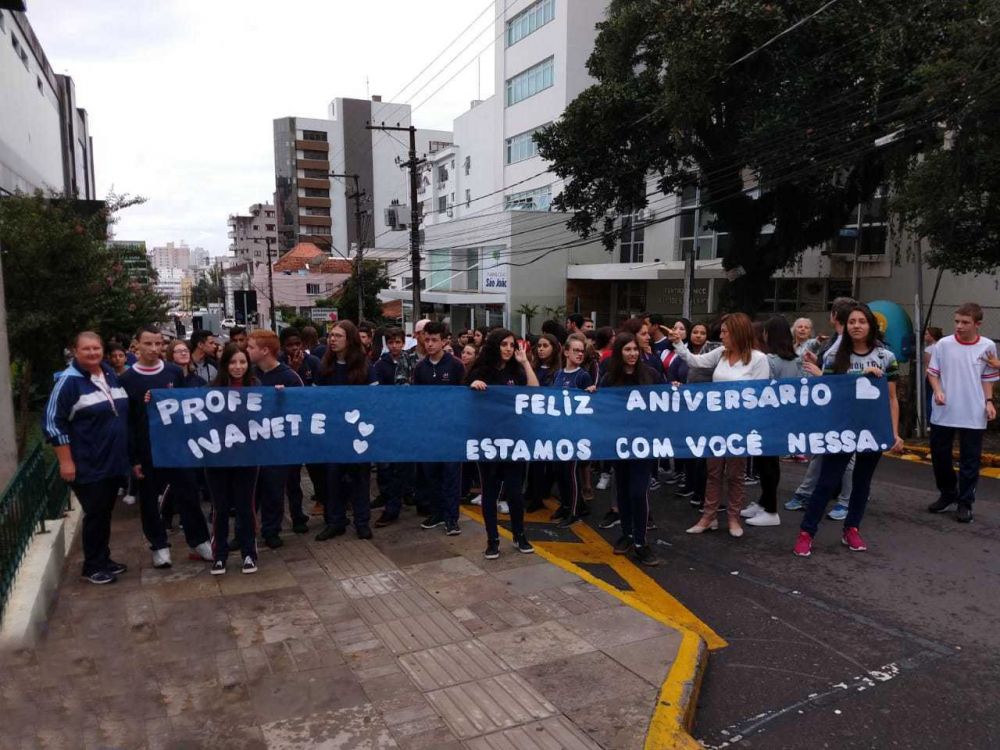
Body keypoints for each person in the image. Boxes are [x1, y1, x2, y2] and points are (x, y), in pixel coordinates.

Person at [794, 305, 904, 556]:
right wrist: (859, 379)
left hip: (872, 430)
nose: (856, 325)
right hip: (842, 429)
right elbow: (830, 395)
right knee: (827, 481)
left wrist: (893, 433)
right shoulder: (834, 358)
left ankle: (851, 528)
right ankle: (806, 532)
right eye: (852, 321)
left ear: (871, 326)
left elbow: (891, 399)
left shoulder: (886, 357)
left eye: (862, 321)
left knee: (861, 483)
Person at [119, 326, 213, 568]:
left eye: (158, 343)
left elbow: (185, 410)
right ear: (137, 345)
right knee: (150, 500)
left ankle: (200, 540)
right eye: (148, 343)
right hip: (147, 450)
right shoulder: (127, 379)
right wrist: (134, 459)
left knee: (188, 493)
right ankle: (159, 546)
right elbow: (127, 422)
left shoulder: (173, 372)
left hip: (176, 447)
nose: (153, 349)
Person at [670, 313, 769, 538]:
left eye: (725, 332)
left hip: (740, 426)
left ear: (738, 333)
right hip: (716, 423)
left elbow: (761, 396)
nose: (721, 335)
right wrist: (678, 344)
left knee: (736, 473)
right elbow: (696, 361)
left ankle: (733, 517)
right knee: (713, 472)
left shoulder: (759, 359)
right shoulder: (720, 354)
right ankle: (709, 516)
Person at [45, 332, 131, 584]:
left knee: (104, 512)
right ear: (75, 350)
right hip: (87, 461)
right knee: (95, 512)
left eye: (96, 348)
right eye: (86, 349)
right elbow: (53, 424)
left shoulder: (109, 374)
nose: (92, 353)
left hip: (112, 460)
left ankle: (103, 558)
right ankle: (92, 566)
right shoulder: (68, 382)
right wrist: (66, 461)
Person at [466, 329, 539, 559]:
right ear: (495, 346)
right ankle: (492, 539)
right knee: (490, 491)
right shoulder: (480, 370)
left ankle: (519, 534)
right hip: (487, 441)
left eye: (512, 345)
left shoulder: (516, 370)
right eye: (504, 344)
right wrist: (474, 384)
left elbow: (534, 391)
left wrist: (525, 362)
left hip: (513, 439)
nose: (508, 348)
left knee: (515, 492)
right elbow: (464, 398)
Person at [784, 297, 858, 516]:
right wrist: (817, 360)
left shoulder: (849, 342)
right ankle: (806, 493)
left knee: (847, 454)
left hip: (843, 405)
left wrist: (821, 374)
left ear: (834, 315)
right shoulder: (837, 339)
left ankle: (846, 501)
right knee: (819, 450)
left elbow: (847, 377)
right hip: (828, 404)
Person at [925, 303, 998, 523]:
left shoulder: (987, 346)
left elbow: (987, 378)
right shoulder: (944, 345)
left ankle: (965, 502)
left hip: (973, 410)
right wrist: (938, 390)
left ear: (978, 324)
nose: (959, 326)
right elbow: (933, 373)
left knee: (970, 460)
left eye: (965, 322)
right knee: (939, 455)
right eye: (956, 321)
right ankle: (948, 493)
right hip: (944, 409)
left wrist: (988, 401)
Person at [599, 332, 662, 566]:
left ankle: (641, 541)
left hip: (643, 445)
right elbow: (601, 409)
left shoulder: (651, 375)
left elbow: (666, 402)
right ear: (619, 353)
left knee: (638, 492)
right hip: (619, 444)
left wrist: (674, 388)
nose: (633, 354)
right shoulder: (609, 379)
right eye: (627, 350)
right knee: (623, 491)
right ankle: (626, 534)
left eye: (635, 349)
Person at [314, 321, 378, 540]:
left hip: (358, 433)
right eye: (331, 335)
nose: (332, 339)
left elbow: (374, 400)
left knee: (360, 478)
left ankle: (362, 522)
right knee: (333, 479)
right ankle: (336, 521)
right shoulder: (324, 367)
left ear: (349, 339)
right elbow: (316, 400)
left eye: (338, 336)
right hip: (333, 433)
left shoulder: (365, 367)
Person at [246, 329, 308, 548]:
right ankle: (246, 530)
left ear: (264, 351)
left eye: (251, 347)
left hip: (280, 444)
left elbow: (302, 408)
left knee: (275, 487)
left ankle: (271, 530)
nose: (247, 350)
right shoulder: (248, 374)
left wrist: (283, 400)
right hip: (254, 443)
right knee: (253, 489)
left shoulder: (289, 377)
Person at [741, 317, 803, 527]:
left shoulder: (769, 360)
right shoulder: (797, 360)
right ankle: (764, 502)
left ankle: (771, 510)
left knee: (766, 464)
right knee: (768, 463)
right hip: (784, 418)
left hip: (765, 418)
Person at [207, 344, 260, 575]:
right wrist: (152, 397)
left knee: (245, 506)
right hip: (217, 458)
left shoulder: (257, 388)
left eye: (242, 362)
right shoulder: (210, 389)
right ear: (224, 365)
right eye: (232, 362)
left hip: (247, 457)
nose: (238, 367)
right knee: (220, 507)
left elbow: (272, 413)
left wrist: (279, 395)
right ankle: (219, 555)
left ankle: (249, 553)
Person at [412, 321, 466, 536]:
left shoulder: (455, 365)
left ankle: (452, 518)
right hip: (429, 431)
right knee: (430, 474)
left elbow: (464, 396)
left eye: (435, 340)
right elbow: (416, 399)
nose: (430, 344)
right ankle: (437, 513)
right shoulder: (420, 368)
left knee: (451, 475)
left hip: (451, 431)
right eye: (427, 340)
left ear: (445, 341)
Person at [546, 333, 597, 527]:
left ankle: (575, 510)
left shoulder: (582, 375)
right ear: (566, 352)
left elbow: (589, 404)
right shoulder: (559, 374)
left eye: (582, 351)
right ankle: (567, 504)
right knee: (559, 471)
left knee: (571, 472)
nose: (579, 354)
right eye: (575, 350)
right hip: (559, 431)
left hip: (576, 433)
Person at [372, 327, 416, 527]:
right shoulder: (381, 365)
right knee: (386, 465)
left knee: (404, 463)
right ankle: (390, 499)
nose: (395, 346)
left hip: (407, 419)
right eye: (391, 343)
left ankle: (404, 495)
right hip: (388, 419)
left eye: (398, 342)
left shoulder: (412, 361)